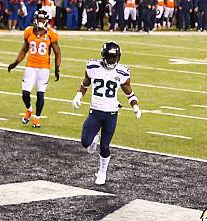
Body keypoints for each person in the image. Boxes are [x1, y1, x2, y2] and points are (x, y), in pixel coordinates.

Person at [71, 41, 141, 185]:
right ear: (103, 56)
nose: (111, 60)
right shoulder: (93, 67)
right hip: (95, 111)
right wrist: (78, 95)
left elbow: (129, 92)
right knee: (85, 142)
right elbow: (85, 83)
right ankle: (94, 137)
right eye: (109, 57)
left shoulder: (122, 72)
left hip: (111, 113)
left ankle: (102, 172)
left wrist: (135, 106)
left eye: (114, 57)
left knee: (104, 147)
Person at [8, 9, 61, 129]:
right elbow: (24, 49)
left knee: (40, 94)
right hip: (30, 67)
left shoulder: (51, 34)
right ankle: (29, 109)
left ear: (46, 20)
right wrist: (15, 63)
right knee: (25, 93)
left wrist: (57, 68)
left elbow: (57, 52)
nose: (41, 21)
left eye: (43, 19)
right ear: (35, 19)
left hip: (44, 69)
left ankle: (37, 118)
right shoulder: (28, 32)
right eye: (39, 19)